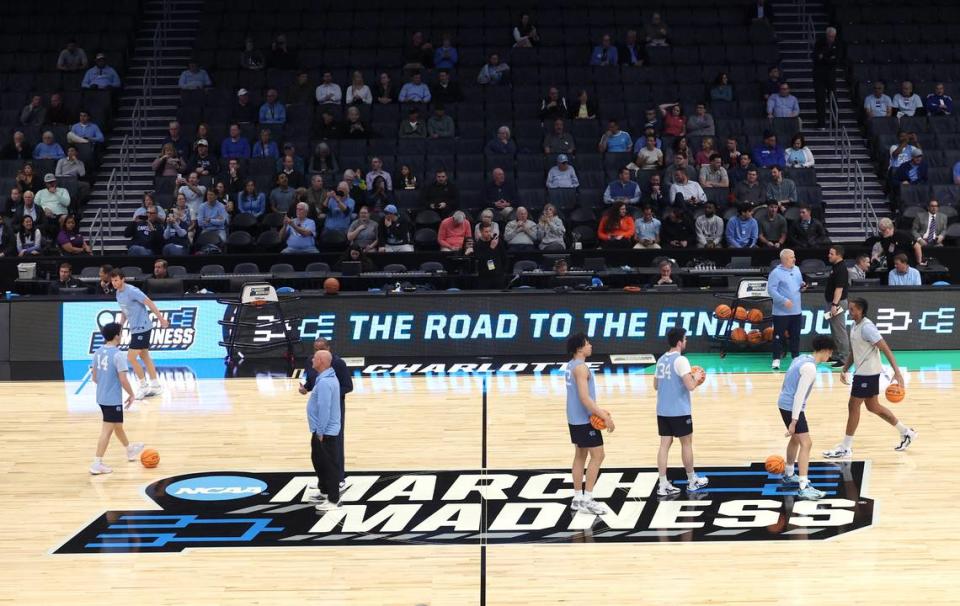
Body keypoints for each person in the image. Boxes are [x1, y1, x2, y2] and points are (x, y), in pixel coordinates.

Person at [824, 298, 917, 457]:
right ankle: (906, 432)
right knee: (873, 406)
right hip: (863, 373)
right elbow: (855, 350)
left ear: (860, 311)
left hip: (868, 374)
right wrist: (845, 368)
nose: (849, 312)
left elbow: (885, 348)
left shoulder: (867, 328)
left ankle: (846, 447)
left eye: (852, 309)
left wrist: (897, 372)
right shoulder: (855, 325)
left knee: (853, 406)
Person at [776, 336, 837, 500]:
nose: (829, 357)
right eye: (830, 353)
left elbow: (785, 382)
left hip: (783, 402)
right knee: (806, 443)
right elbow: (799, 396)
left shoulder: (800, 358)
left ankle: (789, 474)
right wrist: (794, 421)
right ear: (825, 351)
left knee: (796, 440)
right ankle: (804, 487)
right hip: (791, 406)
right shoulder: (810, 368)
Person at [654, 327, 708, 496]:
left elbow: (655, 386)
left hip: (663, 410)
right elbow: (690, 386)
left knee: (664, 445)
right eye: (685, 339)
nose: (686, 342)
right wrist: (697, 378)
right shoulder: (681, 360)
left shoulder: (661, 359)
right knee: (686, 444)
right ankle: (692, 481)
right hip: (679, 411)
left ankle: (663, 484)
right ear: (679, 342)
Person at [564, 333, 614, 513]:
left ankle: (577, 498)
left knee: (580, 455)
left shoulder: (571, 366)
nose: (590, 345)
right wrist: (603, 416)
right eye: (587, 343)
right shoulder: (581, 368)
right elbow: (585, 398)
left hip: (573, 418)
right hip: (584, 420)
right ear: (579, 348)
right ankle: (587, 499)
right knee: (598, 456)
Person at [89, 322, 144, 475]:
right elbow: (123, 379)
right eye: (120, 333)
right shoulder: (118, 355)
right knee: (107, 430)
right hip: (112, 399)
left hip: (101, 397)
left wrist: (105, 386)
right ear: (116, 336)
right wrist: (132, 394)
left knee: (117, 425)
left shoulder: (98, 351)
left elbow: (94, 377)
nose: (121, 335)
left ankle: (129, 449)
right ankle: (96, 463)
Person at [110, 269, 170, 399]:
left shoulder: (132, 291)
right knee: (145, 357)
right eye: (112, 281)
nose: (114, 283)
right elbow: (124, 311)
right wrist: (119, 329)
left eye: (116, 280)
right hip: (135, 328)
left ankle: (143, 386)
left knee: (131, 358)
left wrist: (161, 319)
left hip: (143, 327)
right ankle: (156, 386)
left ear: (122, 279)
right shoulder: (118, 294)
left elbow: (149, 303)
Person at [306, 349, 343, 511]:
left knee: (330, 466)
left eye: (314, 358)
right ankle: (325, 492)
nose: (312, 359)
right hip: (320, 430)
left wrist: (320, 431)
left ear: (321, 361)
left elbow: (324, 408)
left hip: (326, 432)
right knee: (319, 462)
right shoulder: (324, 378)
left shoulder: (326, 382)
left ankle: (334, 500)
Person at [767, 248, 805, 370]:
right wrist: (783, 300)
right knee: (778, 336)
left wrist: (803, 286)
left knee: (795, 336)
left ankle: (795, 358)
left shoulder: (797, 269)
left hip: (796, 310)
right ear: (784, 260)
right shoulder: (776, 273)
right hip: (781, 312)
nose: (794, 259)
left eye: (794, 257)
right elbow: (771, 290)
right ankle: (776, 359)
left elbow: (799, 283)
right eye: (791, 257)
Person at [824, 245, 851, 367]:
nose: (829, 255)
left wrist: (834, 305)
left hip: (838, 303)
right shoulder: (835, 267)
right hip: (832, 302)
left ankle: (845, 358)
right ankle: (836, 354)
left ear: (839, 255)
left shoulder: (841, 269)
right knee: (834, 330)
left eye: (831, 254)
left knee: (840, 331)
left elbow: (839, 289)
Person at [812, 27, 840, 128]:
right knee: (820, 100)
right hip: (819, 76)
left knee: (833, 99)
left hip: (831, 76)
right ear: (826, 35)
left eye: (833, 37)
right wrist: (827, 58)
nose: (831, 38)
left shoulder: (837, 44)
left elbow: (836, 60)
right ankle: (821, 123)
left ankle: (835, 123)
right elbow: (815, 57)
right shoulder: (819, 42)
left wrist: (824, 57)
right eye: (829, 36)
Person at [474, 223, 507, 288]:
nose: (489, 233)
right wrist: (491, 248)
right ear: (481, 232)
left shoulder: (497, 241)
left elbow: (504, 256)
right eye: (486, 232)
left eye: (490, 231)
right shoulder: (478, 245)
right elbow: (482, 259)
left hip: (498, 274)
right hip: (485, 276)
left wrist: (504, 270)